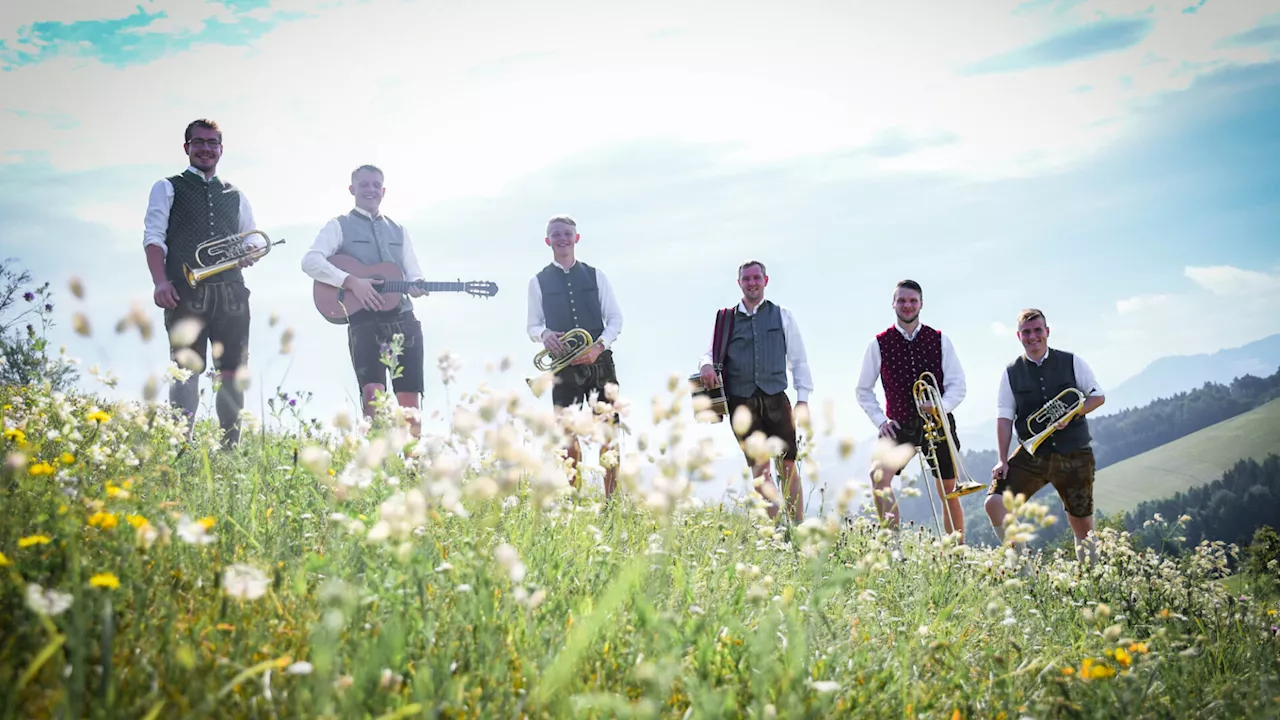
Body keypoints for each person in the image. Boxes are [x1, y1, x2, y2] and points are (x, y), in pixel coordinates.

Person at [143, 118, 261, 448]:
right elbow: (154, 239)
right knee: (185, 369)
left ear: (221, 149)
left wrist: (249, 253)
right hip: (185, 290)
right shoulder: (167, 187)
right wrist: (160, 282)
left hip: (231, 293)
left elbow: (251, 238)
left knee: (233, 371)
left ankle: (230, 446)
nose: (206, 149)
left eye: (212, 143)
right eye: (199, 142)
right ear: (187, 148)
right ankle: (181, 444)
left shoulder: (235, 194)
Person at [301, 165, 429, 436]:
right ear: (352, 190)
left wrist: (417, 284)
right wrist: (351, 282)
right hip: (364, 320)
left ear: (383, 191)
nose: (370, 190)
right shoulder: (338, 225)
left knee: (409, 397)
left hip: (403, 318)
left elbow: (413, 271)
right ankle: (376, 461)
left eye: (375, 185)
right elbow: (311, 261)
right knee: (373, 393)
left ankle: (413, 466)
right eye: (364, 185)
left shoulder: (399, 230)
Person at [855, 279, 984, 538]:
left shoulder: (940, 339)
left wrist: (941, 407)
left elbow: (958, 385)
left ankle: (956, 554)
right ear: (893, 304)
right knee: (878, 477)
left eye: (913, 300)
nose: (907, 305)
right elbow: (863, 391)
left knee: (949, 491)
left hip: (938, 423)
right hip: (900, 425)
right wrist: (881, 422)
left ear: (921, 304)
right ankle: (893, 547)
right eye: (901, 300)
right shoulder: (878, 344)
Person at [986, 308, 1106, 565]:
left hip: (1074, 452)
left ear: (1047, 332)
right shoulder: (1010, 373)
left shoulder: (1072, 361)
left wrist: (1074, 413)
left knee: (1081, 523)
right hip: (1033, 454)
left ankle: (1092, 581)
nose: (1033, 337)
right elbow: (1004, 418)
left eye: (1038, 330)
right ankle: (1023, 571)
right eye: (1027, 332)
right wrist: (1002, 459)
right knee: (995, 503)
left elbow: (1097, 396)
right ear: (1019, 336)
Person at [698, 260, 812, 524]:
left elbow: (799, 360)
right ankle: (773, 533)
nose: (752, 283)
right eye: (746, 279)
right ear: (739, 283)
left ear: (766, 281)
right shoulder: (725, 318)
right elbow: (708, 352)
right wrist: (705, 364)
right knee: (760, 469)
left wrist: (803, 398)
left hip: (776, 399)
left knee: (787, 465)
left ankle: (797, 527)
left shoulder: (782, 314)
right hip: (741, 402)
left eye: (756, 278)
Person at [526, 215, 624, 499]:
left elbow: (615, 319)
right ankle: (573, 498)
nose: (562, 239)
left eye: (567, 233)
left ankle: (611, 501)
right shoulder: (538, 281)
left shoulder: (596, 275)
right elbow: (532, 324)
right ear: (548, 241)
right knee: (566, 434)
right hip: (563, 366)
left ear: (576, 238)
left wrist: (599, 346)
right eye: (556, 234)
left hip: (599, 363)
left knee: (608, 433)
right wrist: (544, 335)